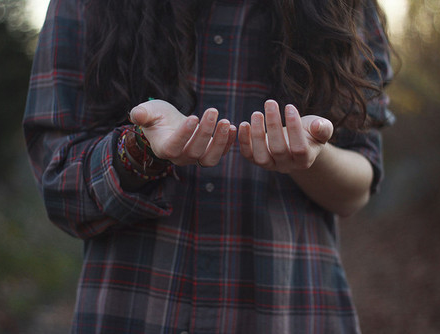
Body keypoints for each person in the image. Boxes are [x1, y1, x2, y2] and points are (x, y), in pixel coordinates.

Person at [23, 0, 394, 332]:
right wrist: (140, 149)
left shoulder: (346, 8)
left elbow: (357, 190)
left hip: (294, 313)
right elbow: (60, 189)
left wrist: (312, 156)